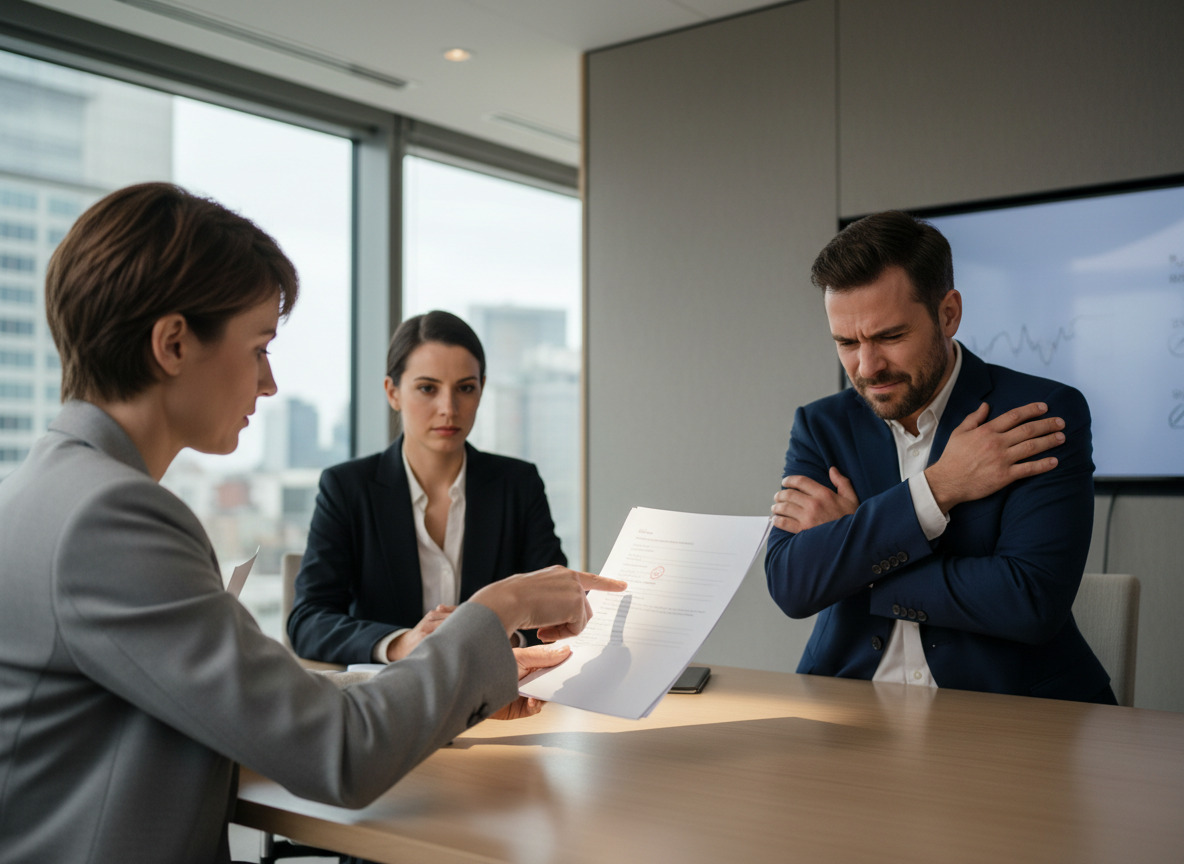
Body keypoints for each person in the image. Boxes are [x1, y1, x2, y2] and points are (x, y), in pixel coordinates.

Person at [0, 182, 623, 864]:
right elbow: (341, 754)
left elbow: (250, 705)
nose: (268, 384)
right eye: (260, 346)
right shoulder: (109, 520)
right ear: (173, 344)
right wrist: (496, 608)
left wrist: (462, 678)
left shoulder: (48, 490)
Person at [764, 210, 1115, 704]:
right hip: (850, 711)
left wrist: (854, 549)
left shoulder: (1038, 414)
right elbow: (792, 584)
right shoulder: (823, 426)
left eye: (890, 336)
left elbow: (1029, 602)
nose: (867, 368)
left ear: (948, 313)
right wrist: (939, 487)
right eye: (846, 343)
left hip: (1009, 715)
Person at [287, 311, 567, 666]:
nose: (448, 409)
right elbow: (308, 621)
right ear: (393, 392)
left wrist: (495, 634)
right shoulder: (347, 488)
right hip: (387, 702)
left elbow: (557, 610)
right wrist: (402, 643)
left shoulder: (518, 485)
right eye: (427, 388)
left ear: (481, 389)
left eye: (465, 388)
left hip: (498, 697)